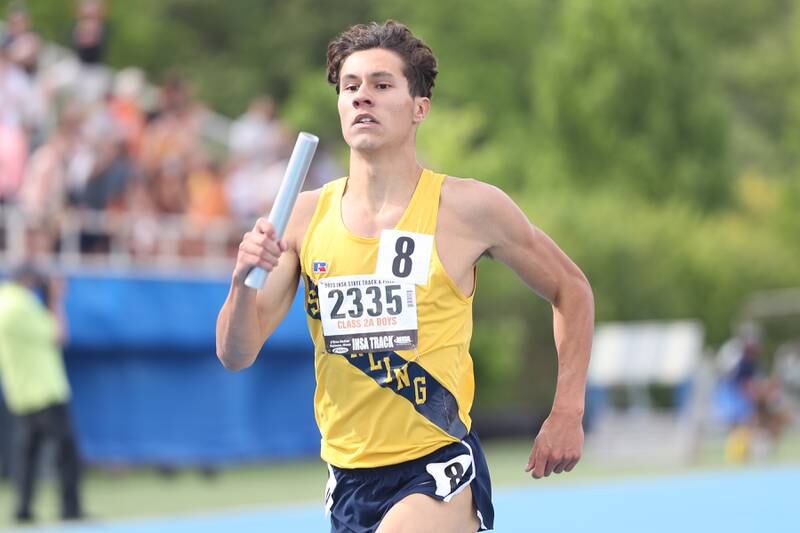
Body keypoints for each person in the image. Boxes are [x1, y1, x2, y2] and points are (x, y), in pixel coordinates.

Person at [216, 20, 594, 532]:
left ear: (420, 108)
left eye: (381, 84)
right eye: (350, 87)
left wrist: (567, 411)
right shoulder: (303, 218)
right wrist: (241, 283)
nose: (361, 97)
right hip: (347, 479)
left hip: (435, 465)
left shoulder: (467, 209)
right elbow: (236, 353)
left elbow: (570, 289)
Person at [0, 263, 85, 523]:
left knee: (26, 455)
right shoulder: (22, 306)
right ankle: (70, 509)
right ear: (28, 280)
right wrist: (56, 300)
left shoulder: (5, 301)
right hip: (46, 390)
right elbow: (59, 334)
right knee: (66, 451)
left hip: (20, 391)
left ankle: (23, 509)